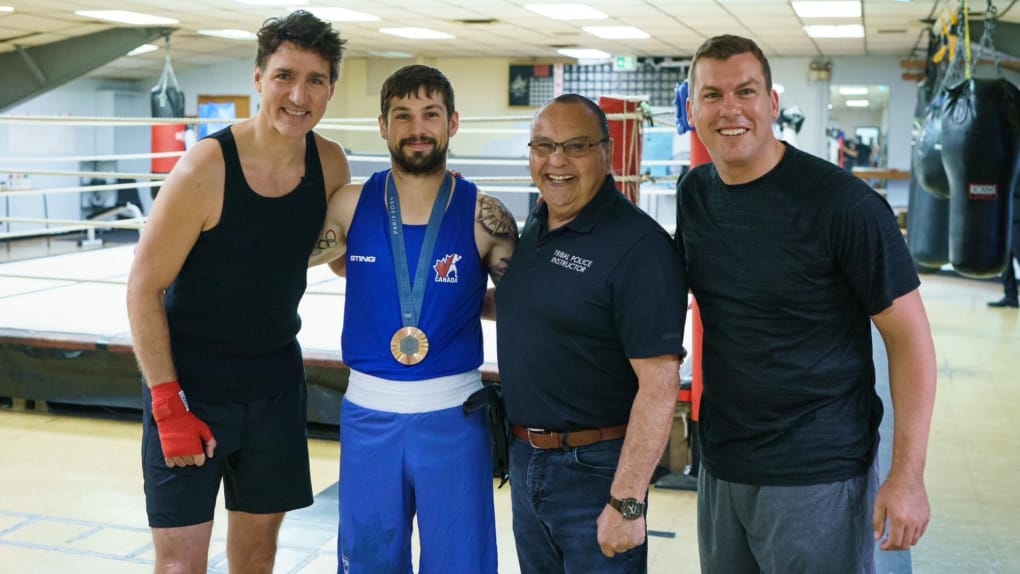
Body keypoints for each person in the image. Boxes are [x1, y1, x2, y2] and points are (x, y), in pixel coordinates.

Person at [677, 34, 937, 573]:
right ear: (691, 108)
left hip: (817, 473)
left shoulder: (844, 205)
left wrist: (907, 476)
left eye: (745, 92)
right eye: (712, 95)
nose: (730, 110)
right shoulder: (695, 194)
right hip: (723, 464)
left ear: (772, 104)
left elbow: (909, 337)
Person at [125, 11, 350, 573]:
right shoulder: (205, 168)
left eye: (315, 80)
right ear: (257, 78)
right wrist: (167, 402)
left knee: (257, 557)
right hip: (191, 391)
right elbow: (143, 286)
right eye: (284, 76)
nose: (298, 95)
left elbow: (342, 258)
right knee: (181, 565)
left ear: (330, 90)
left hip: (274, 389)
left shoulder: (329, 163)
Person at [308, 64, 517, 574]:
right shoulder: (351, 204)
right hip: (368, 415)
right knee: (368, 562)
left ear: (453, 123)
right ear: (383, 125)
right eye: (402, 115)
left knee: (460, 563)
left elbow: (527, 307)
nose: (417, 128)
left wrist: (467, 303)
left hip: (455, 417)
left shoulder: (485, 215)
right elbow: (285, 260)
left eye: (430, 114)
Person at [495, 94, 688, 573]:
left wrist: (627, 503)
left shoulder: (640, 248)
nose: (556, 160)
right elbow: (532, 307)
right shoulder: (540, 220)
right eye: (543, 146)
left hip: (595, 471)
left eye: (575, 146)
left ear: (606, 151)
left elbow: (660, 386)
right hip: (526, 460)